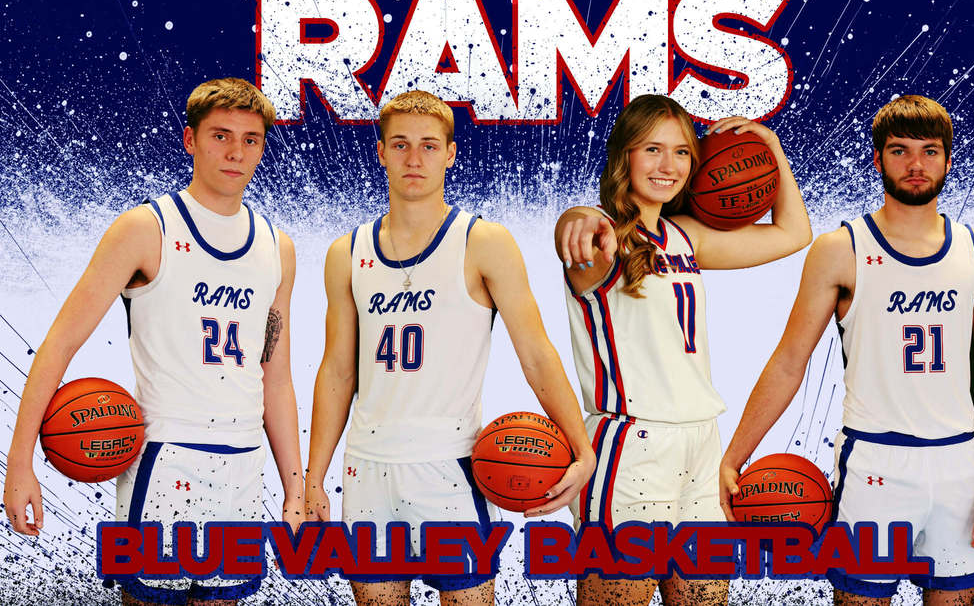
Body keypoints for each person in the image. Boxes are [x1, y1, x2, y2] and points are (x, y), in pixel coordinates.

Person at [2, 78, 304, 605]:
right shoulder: (146, 229)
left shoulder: (278, 247)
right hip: (164, 457)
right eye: (220, 135)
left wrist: (294, 487)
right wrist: (20, 462)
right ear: (190, 140)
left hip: (242, 463)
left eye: (251, 139)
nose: (236, 152)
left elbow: (275, 379)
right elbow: (59, 345)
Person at [304, 90, 597, 606]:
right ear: (380, 152)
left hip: (451, 467)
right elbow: (337, 372)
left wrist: (583, 448)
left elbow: (536, 354)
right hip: (368, 468)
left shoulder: (483, 242)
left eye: (428, 145)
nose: (414, 158)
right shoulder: (345, 253)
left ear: (451, 153)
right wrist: (314, 476)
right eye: (400, 145)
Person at [719, 95, 974, 605]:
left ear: (947, 159)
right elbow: (790, 362)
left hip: (960, 467)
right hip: (876, 463)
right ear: (877, 159)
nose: (916, 164)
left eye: (930, 151)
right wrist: (734, 456)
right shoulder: (841, 249)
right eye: (900, 151)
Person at [556, 94, 811, 606]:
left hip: (701, 444)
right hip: (630, 448)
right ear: (624, 156)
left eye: (681, 152)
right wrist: (578, 214)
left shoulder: (685, 236)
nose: (667, 165)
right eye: (652, 149)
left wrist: (772, 149)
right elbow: (576, 229)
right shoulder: (601, 241)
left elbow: (794, 233)